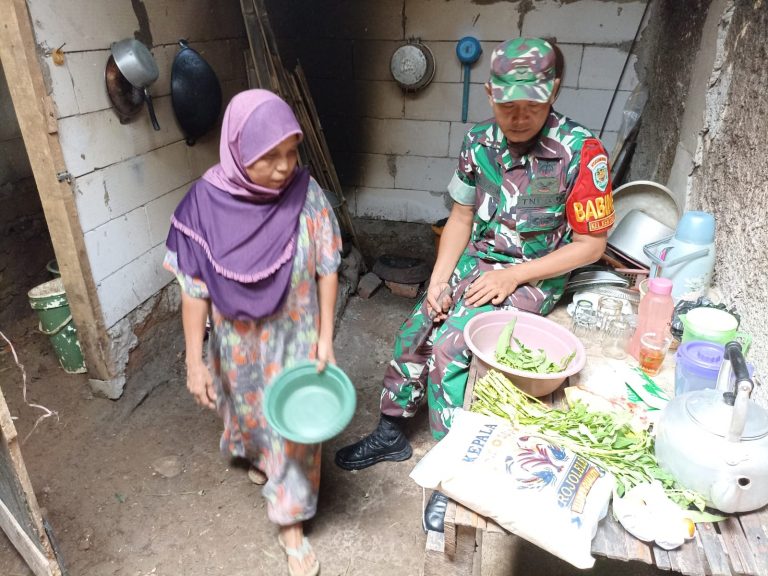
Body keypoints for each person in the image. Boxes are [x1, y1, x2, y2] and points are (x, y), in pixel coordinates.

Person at [335, 37, 615, 527]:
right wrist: (439, 282)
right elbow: (461, 217)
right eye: (509, 105)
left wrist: (513, 276)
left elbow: (590, 245)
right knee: (418, 327)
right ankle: (393, 429)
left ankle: (455, 469)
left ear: (554, 93)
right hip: (479, 261)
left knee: (452, 349)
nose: (520, 116)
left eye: (534, 105)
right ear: (490, 94)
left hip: (534, 273)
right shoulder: (478, 142)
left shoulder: (581, 150)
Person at [164, 89, 341, 576]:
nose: (285, 167)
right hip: (237, 347)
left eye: (292, 152)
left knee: (294, 430)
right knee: (247, 410)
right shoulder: (204, 204)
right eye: (269, 157)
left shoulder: (307, 196)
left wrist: (325, 336)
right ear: (238, 151)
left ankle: (291, 524)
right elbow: (194, 288)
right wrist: (194, 360)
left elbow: (327, 266)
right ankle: (256, 455)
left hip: (296, 342)